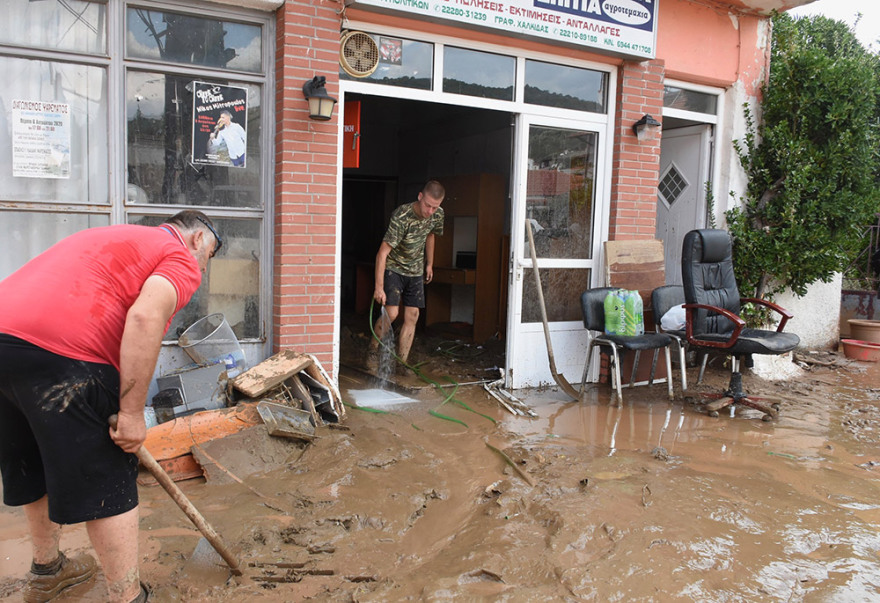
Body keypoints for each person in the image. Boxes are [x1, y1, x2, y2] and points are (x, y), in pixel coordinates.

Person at [0, 210, 221, 603]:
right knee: (110, 480)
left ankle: (48, 570)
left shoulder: (117, 236)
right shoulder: (179, 256)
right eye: (210, 254)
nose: (205, 266)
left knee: (30, 460)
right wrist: (133, 414)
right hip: (65, 352)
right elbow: (144, 317)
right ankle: (128, 597)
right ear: (198, 239)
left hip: (5, 341)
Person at [372, 180, 445, 367]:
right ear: (420, 197)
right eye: (427, 205)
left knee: (412, 316)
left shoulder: (437, 215)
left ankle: (401, 363)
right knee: (392, 313)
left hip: (415, 271)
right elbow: (382, 253)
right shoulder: (401, 215)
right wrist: (379, 287)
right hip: (394, 268)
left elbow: (430, 235)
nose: (430, 211)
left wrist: (430, 264)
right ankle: (372, 350)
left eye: (435, 208)